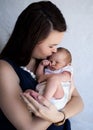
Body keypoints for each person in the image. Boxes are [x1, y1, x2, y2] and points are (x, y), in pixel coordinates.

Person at [0, 1, 84, 130]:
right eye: (51, 46)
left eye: (57, 45)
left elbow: (78, 101)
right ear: (30, 39)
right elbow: (29, 127)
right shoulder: (5, 69)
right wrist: (60, 109)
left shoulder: (50, 63)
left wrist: (59, 117)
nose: (55, 51)